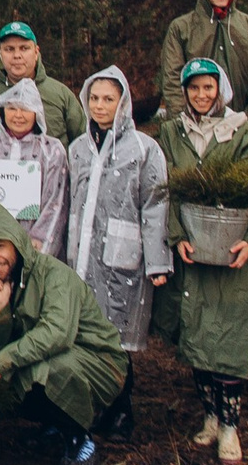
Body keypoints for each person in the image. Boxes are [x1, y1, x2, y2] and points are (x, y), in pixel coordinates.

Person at [152, 58, 248, 465]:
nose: (202, 95)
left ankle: (230, 425)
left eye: (209, 88)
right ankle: (209, 415)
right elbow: (166, 186)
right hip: (195, 250)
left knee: (230, 337)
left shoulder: (241, 131)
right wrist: (177, 235)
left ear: (221, 89)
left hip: (233, 251)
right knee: (199, 331)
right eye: (194, 88)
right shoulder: (173, 132)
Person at [0, 201, 127, 465]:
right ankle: (58, 423)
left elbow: (56, 334)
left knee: (40, 371)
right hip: (60, 359)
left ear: (17, 244)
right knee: (7, 376)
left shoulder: (54, 275)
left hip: (99, 363)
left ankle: (79, 438)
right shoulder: (4, 283)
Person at [62, 66, 170, 388]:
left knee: (114, 336)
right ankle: (89, 400)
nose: (99, 106)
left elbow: (155, 205)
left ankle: (119, 403)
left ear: (123, 102)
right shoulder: (78, 148)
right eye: (94, 98)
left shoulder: (143, 149)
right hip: (81, 253)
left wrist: (157, 262)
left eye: (108, 99)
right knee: (81, 332)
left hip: (122, 257)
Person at [159, 0, 248, 119]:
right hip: (195, 124)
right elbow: (172, 81)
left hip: (244, 122)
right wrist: (184, 123)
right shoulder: (181, 28)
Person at [0, 80, 69, 257]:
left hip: (36, 251)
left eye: (26, 109)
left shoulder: (52, 151)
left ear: (37, 113)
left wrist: (35, 250)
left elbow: (55, 204)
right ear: (2, 111)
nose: (18, 115)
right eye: (12, 108)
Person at [0, 22, 87, 144]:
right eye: (9, 49)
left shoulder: (60, 95)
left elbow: (84, 141)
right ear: (0, 53)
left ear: (36, 52)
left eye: (24, 48)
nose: (17, 55)